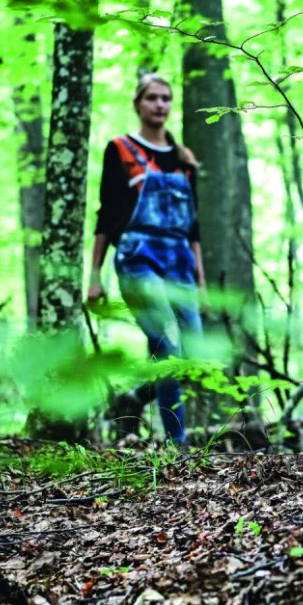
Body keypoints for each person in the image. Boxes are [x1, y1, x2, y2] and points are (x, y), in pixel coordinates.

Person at [87, 73, 206, 444]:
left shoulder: (185, 159)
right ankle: (177, 447)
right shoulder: (120, 149)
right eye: (152, 97)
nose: (160, 104)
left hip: (181, 260)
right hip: (138, 256)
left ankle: (135, 395)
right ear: (137, 103)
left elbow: (194, 226)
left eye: (166, 98)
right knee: (167, 344)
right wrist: (94, 276)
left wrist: (201, 281)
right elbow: (107, 214)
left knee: (195, 355)